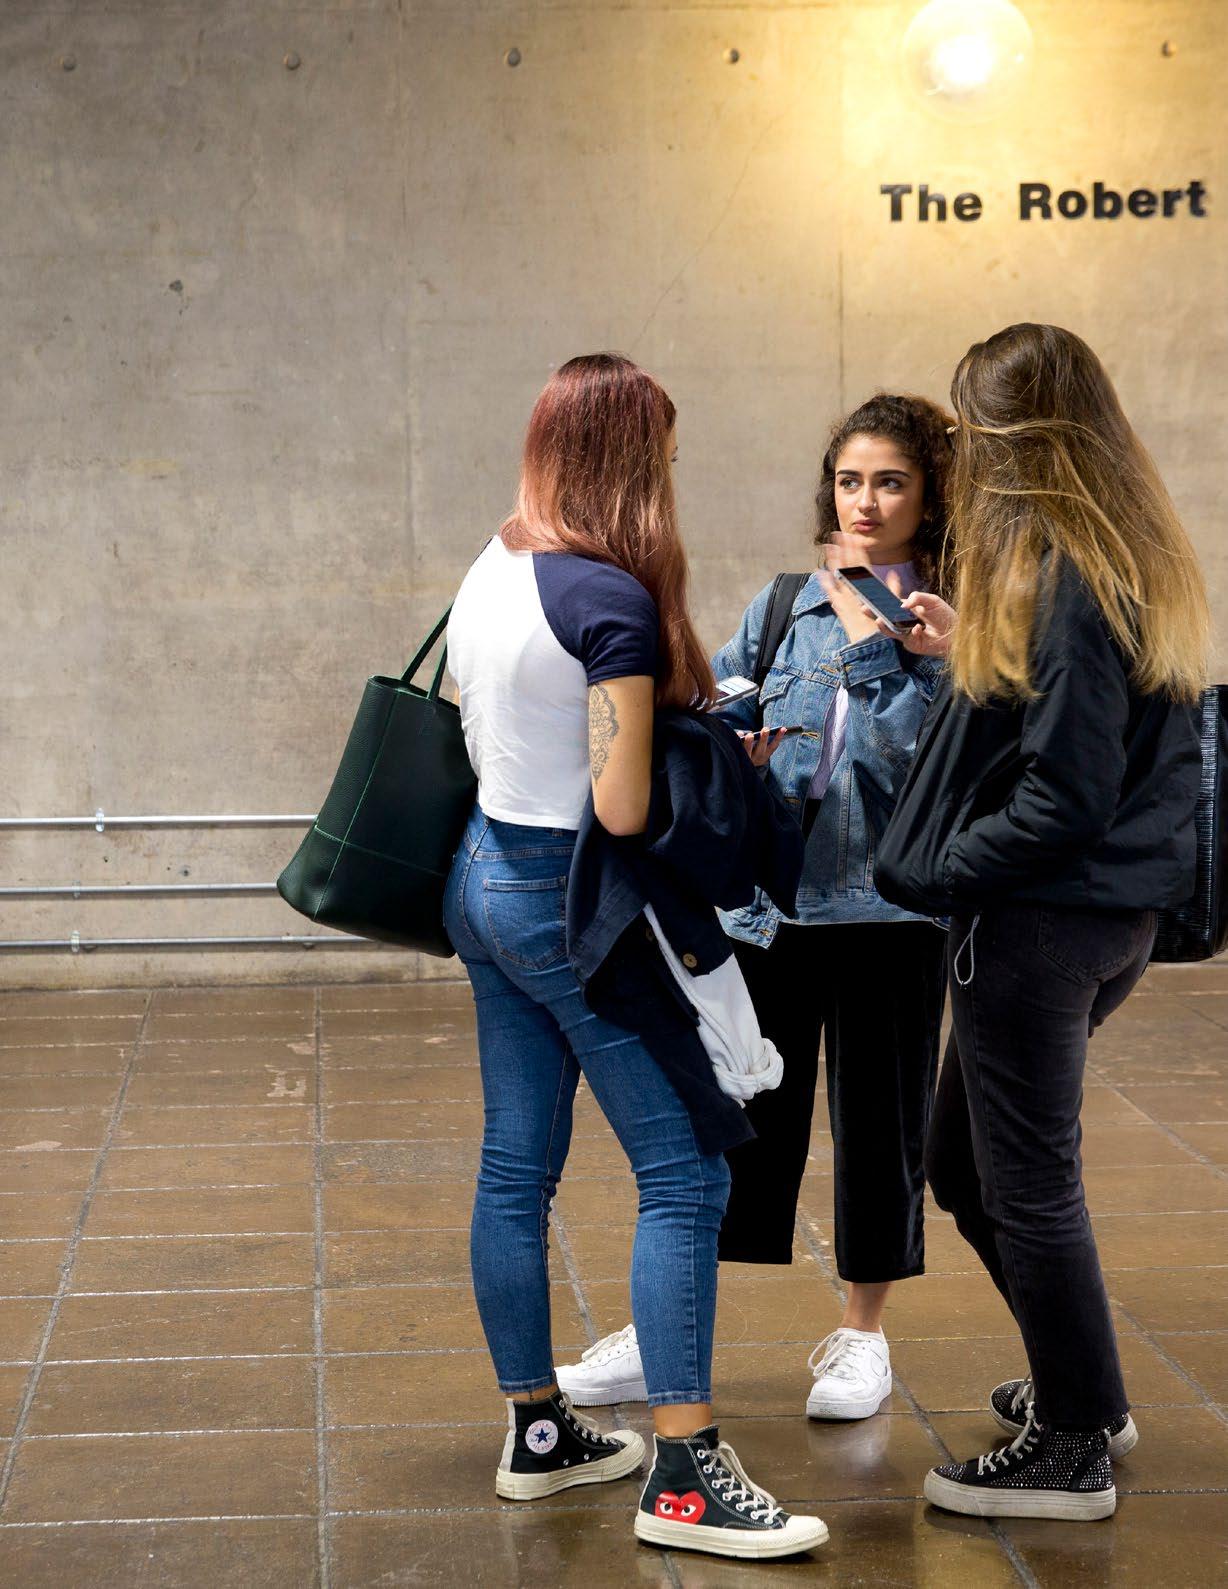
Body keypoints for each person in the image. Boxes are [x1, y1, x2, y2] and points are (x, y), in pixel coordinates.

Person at [443, 353, 827, 1560]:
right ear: (628, 462)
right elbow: (620, 805)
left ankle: (538, 1431)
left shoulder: (497, 557)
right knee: (687, 1176)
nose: (669, 470)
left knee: (516, 1165)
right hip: (574, 907)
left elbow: (491, 721)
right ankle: (685, 1476)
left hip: (481, 877)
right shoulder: (608, 599)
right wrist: (718, 759)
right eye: (661, 453)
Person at [559, 393, 953, 1421]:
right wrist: (731, 737)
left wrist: (883, 647)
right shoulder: (784, 603)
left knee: (882, 1126)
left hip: (890, 915)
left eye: (891, 481)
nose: (865, 501)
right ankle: (667, 1326)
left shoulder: (952, 622)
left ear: (929, 494)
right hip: (768, 910)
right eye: (850, 480)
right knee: (729, 1120)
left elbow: (925, 761)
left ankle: (863, 1335)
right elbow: (717, 697)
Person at [874, 323, 1208, 1521]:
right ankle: (1085, 1391)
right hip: (1099, 916)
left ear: (1017, 442)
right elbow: (1080, 736)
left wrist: (949, 867)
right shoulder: (1124, 552)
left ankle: (1072, 1447)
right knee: (965, 1162)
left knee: (1025, 1182)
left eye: (972, 432)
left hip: (1035, 924)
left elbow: (1065, 794)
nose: (960, 457)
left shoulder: (1065, 569)